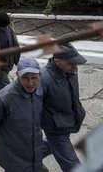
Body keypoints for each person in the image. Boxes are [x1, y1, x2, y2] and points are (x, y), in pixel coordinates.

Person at [0, 58, 44, 172]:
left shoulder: (40, 90)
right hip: (13, 157)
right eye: (25, 78)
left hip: (34, 152)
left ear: (40, 75)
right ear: (17, 75)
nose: (30, 83)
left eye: (34, 78)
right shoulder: (3, 98)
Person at [41, 43, 86, 172]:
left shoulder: (70, 70)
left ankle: (29, 157)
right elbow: (32, 107)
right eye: (71, 63)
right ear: (57, 61)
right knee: (72, 164)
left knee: (50, 144)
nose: (75, 66)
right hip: (55, 127)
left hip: (67, 120)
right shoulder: (43, 79)